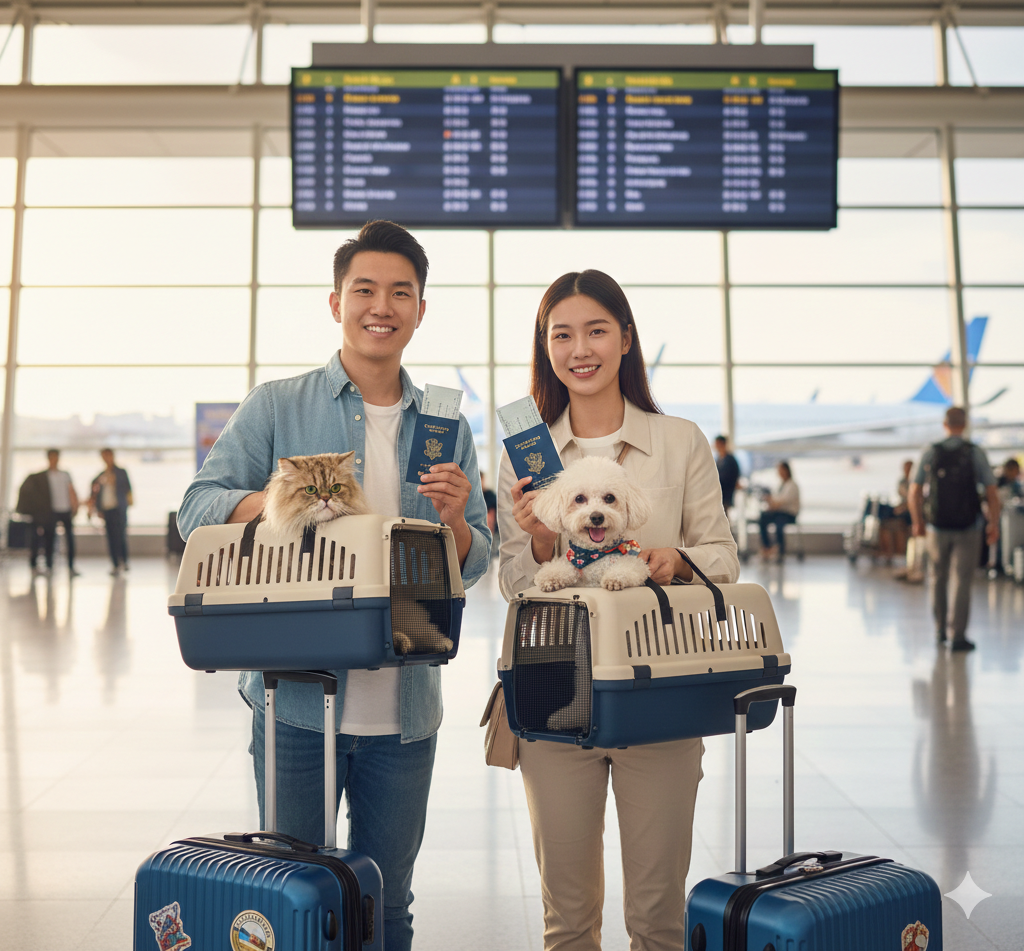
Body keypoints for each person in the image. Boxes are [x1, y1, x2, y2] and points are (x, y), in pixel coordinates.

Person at [178, 219, 491, 950]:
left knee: (389, 901)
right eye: (365, 290)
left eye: (400, 292)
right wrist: (279, 504)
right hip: (295, 701)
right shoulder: (277, 406)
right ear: (335, 303)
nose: (381, 306)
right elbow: (197, 510)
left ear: (419, 309)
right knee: (293, 893)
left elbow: (475, 562)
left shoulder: (448, 425)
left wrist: (456, 521)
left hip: (407, 711)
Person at [497, 269, 737, 951]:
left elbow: (723, 555)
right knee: (567, 921)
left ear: (626, 339)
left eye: (597, 330)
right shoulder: (527, 453)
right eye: (561, 334)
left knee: (659, 918)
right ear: (546, 348)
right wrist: (541, 539)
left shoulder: (680, 440)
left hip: (660, 692)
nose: (581, 348)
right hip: (553, 693)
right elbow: (515, 584)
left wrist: (675, 560)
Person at [908, 406, 1000, 652]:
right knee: (962, 580)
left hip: (936, 527)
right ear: (965, 423)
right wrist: (994, 524)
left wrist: (918, 521)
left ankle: (940, 631)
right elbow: (991, 491)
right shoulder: (974, 452)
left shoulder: (931, 451)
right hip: (969, 526)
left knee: (937, 578)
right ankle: (958, 636)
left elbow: (914, 490)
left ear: (944, 424)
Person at [17, 451, 80, 576]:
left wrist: (75, 506)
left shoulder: (65, 475)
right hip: (51, 512)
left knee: (70, 540)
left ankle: (71, 566)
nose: (54, 460)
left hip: (65, 510)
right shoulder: (41, 477)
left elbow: (71, 490)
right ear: (48, 458)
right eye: (52, 457)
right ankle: (49, 566)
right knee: (50, 539)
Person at [89, 449, 132, 575]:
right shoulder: (101, 476)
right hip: (107, 510)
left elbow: (127, 489)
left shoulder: (120, 472)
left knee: (121, 535)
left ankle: (124, 561)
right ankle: (115, 563)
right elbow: (94, 491)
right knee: (111, 537)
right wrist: (97, 509)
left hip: (119, 508)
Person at [758, 461, 800, 562]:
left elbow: (782, 502)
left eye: (780, 470)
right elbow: (777, 501)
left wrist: (772, 501)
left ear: (786, 470)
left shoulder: (792, 486)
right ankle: (767, 547)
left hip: (789, 514)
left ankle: (780, 551)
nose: (779, 473)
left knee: (779, 524)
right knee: (763, 518)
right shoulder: (781, 485)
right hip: (779, 512)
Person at [713, 434, 741, 510]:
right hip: (718, 495)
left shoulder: (730, 460)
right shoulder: (719, 459)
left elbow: (731, 477)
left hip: (725, 495)